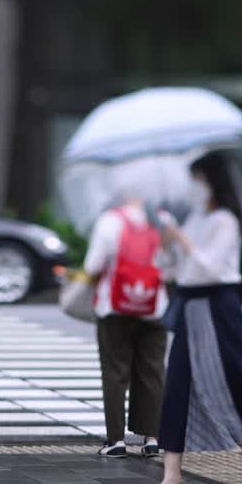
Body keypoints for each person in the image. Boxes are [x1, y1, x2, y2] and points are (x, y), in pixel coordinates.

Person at [137, 151, 242, 484]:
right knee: (176, 389)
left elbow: (209, 268)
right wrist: (167, 246)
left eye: (199, 178)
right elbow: (174, 271)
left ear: (212, 181)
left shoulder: (224, 220)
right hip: (191, 307)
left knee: (224, 393)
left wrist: (183, 240)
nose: (194, 186)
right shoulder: (197, 217)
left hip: (215, 309)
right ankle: (172, 476)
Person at [82, 191, 168, 459]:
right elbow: (174, 266)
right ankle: (152, 438)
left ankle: (116, 440)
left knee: (115, 372)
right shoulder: (163, 220)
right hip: (155, 306)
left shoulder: (110, 221)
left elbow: (93, 264)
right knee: (153, 371)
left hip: (115, 307)